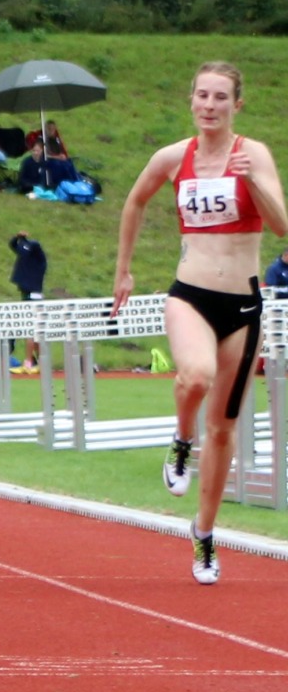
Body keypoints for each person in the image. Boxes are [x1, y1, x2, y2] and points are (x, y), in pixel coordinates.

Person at [112, 61, 287, 586]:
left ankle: (204, 534)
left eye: (220, 98)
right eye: (201, 96)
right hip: (189, 293)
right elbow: (134, 201)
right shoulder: (172, 158)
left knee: (225, 428)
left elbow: (281, 225)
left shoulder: (253, 154)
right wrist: (123, 269)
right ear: (191, 100)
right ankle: (180, 439)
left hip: (243, 304)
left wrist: (251, 180)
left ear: (237, 105)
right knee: (194, 377)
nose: (209, 106)